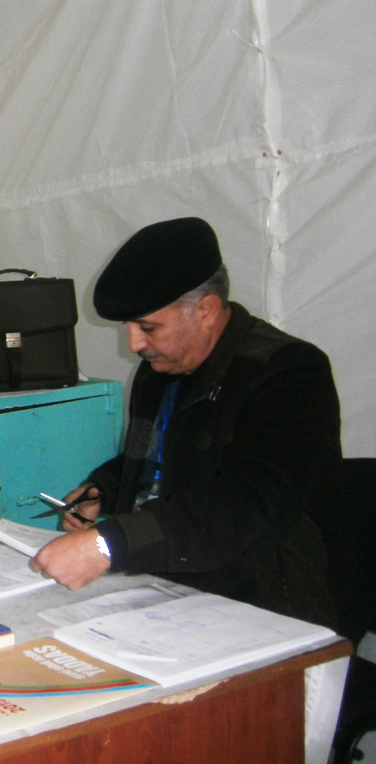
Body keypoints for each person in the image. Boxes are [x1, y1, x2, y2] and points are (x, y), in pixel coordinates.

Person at [30, 216, 340, 627]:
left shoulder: (287, 372)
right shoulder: (159, 371)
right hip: (166, 579)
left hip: (265, 598)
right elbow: (146, 462)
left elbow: (249, 506)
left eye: (148, 327)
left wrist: (110, 544)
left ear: (206, 311)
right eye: (129, 327)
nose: (134, 344)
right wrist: (102, 488)